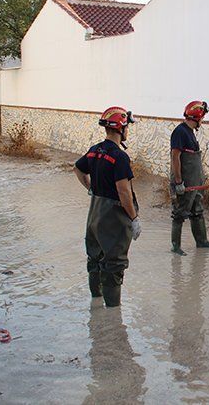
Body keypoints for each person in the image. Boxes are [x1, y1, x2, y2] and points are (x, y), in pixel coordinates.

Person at [73, 106, 141, 307]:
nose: (127, 130)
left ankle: (96, 305)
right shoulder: (120, 157)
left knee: (94, 258)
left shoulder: (95, 151)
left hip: (94, 215)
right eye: (126, 126)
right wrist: (134, 218)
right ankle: (112, 316)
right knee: (114, 264)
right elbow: (124, 191)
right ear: (121, 128)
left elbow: (77, 169)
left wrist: (91, 188)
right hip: (113, 219)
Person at [169, 101, 209, 255]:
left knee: (197, 210)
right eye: (202, 118)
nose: (202, 121)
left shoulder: (190, 132)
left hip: (195, 182)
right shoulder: (180, 132)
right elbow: (175, 157)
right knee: (179, 213)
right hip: (184, 182)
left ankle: (202, 241)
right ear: (196, 117)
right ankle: (175, 247)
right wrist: (178, 182)